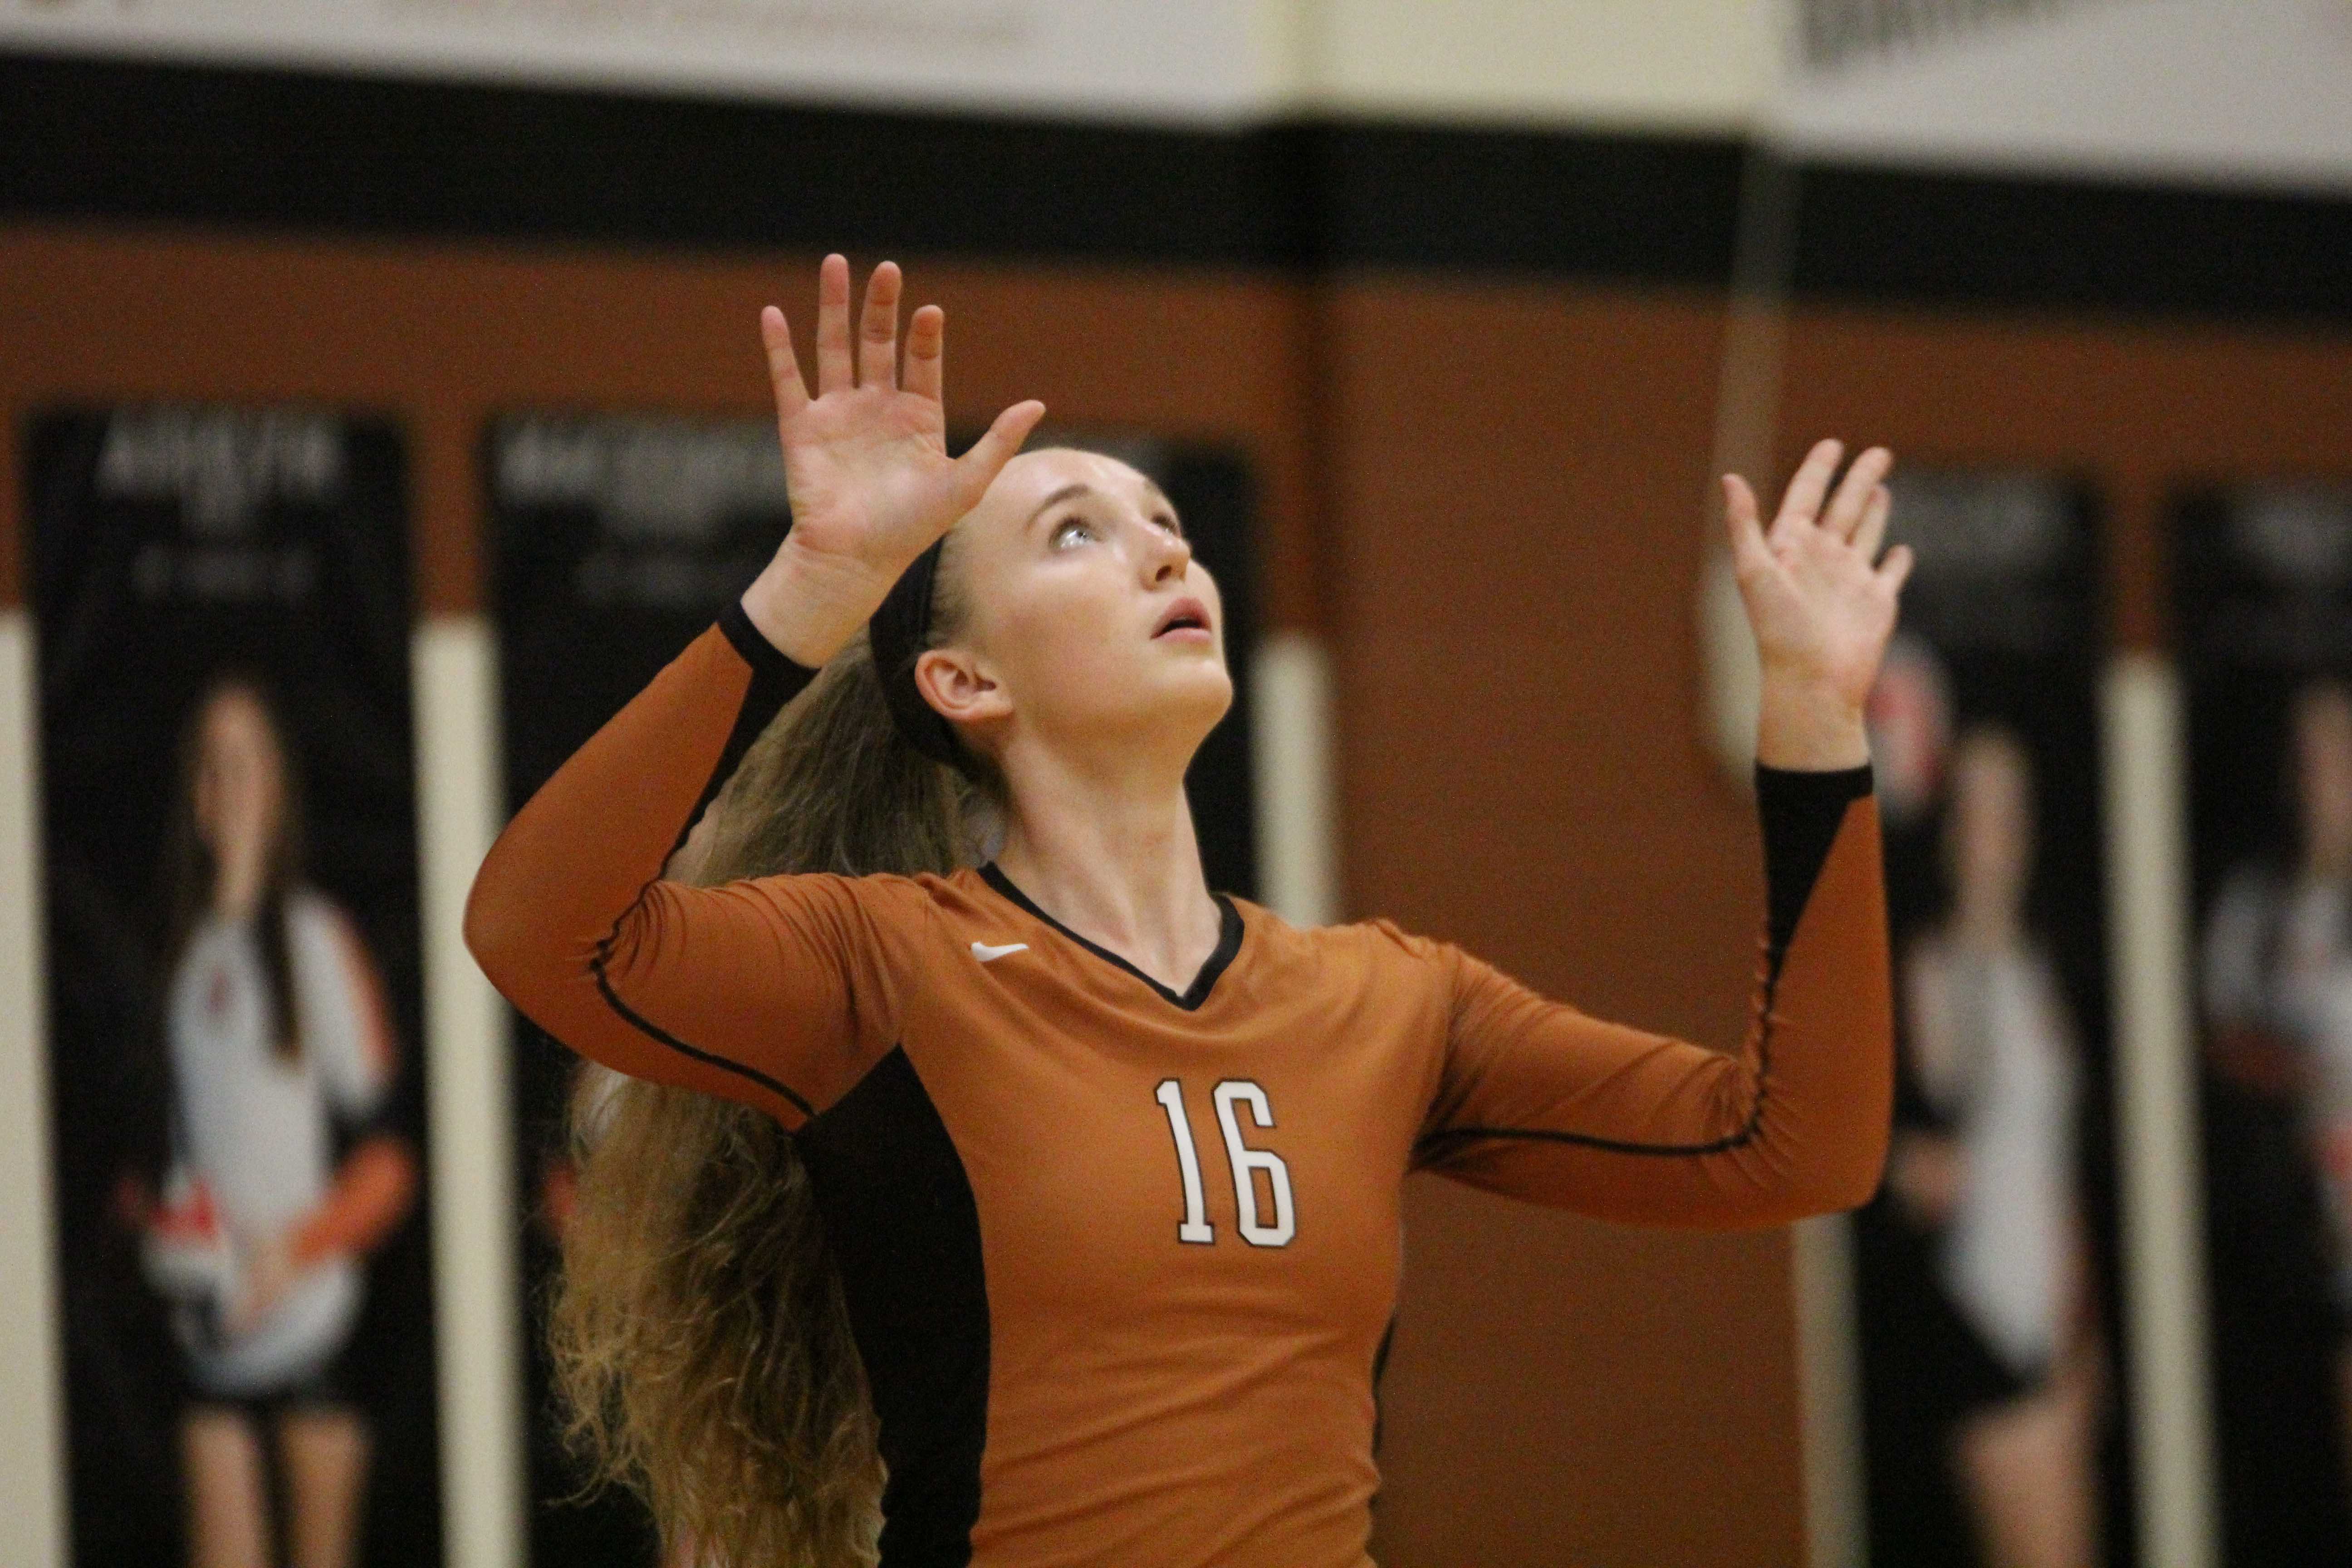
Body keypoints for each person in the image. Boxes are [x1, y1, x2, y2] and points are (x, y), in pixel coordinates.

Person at [465, 255, 1910, 1568]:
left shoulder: (1393, 1001)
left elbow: (1795, 1148)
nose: (1169, 553)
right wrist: (815, 586)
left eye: (1165, 525)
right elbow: (541, 935)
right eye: (1078, 536)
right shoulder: (887, 968)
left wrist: (1811, 724)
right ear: (966, 682)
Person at [137, 678, 417, 1568]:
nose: (232, 784)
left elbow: (390, 1155)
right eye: (213, 765)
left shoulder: (316, 943)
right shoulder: (171, 956)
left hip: (310, 1331)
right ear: (194, 791)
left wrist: (293, 1250)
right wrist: (159, 1234)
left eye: (249, 759)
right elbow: (141, 1162)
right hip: (209, 1340)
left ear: (280, 782)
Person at [1886, 727, 2098, 1568]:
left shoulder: (2037, 967)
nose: (1991, 838)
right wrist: (1913, 1167)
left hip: (2051, 1327)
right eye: (1973, 813)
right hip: (1977, 1324)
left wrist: (2083, 1332)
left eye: (2008, 815)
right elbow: (1898, 1153)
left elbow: (2054, 1166)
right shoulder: (1931, 967)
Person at [2203, 678, 2352, 1504]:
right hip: (2288, 1247)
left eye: (2340, 751)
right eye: (2308, 756)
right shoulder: (2255, 909)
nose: (2325, 774)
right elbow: (2216, 1043)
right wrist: (2295, 1074)